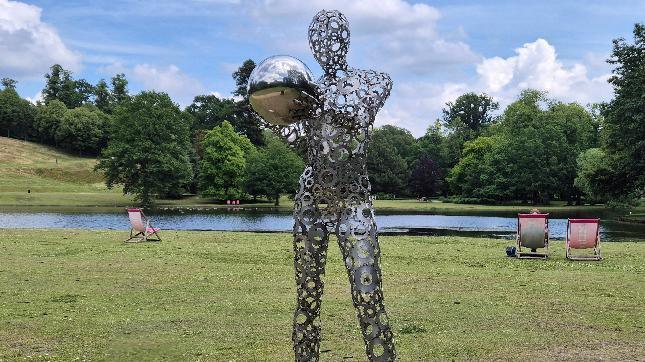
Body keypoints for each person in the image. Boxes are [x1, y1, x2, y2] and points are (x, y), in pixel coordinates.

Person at [268, 10, 396, 362]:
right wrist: (277, 122)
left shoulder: (372, 81)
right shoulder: (305, 92)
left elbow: (359, 118)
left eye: (332, 35)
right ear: (312, 45)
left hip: (354, 200)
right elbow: (309, 150)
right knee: (307, 298)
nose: (326, 45)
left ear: (346, 39)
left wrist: (318, 105)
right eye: (318, 39)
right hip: (311, 199)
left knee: (369, 295)